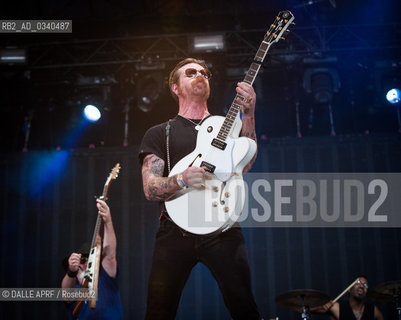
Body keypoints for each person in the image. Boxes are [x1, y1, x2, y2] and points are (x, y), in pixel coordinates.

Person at [139, 58, 259, 319]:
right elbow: (150, 189)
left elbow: (245, 162)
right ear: (175, 87)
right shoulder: (161, 133)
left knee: (244, 307)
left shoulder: (226, 128)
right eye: (190, 73)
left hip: (222, 227)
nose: (200, 75)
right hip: (174, 230)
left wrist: (248, 114)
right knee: (158, 311)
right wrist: (181, 179)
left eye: (204, 72)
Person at [61, 199, 123, 320]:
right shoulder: (75, 290)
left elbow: (110, 256)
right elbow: (66, 294)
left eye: (86, 261)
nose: (81, 265)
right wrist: (71, 272)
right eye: (79, 262)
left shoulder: (105, 280)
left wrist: (108, 221)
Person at [313, 276, 384, 320]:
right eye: (358, 282)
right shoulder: (337, 307)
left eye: (365, 285)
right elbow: (305, 310)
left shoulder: (373, 310)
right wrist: (323, 307)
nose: (362, 286)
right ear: (349, 289)